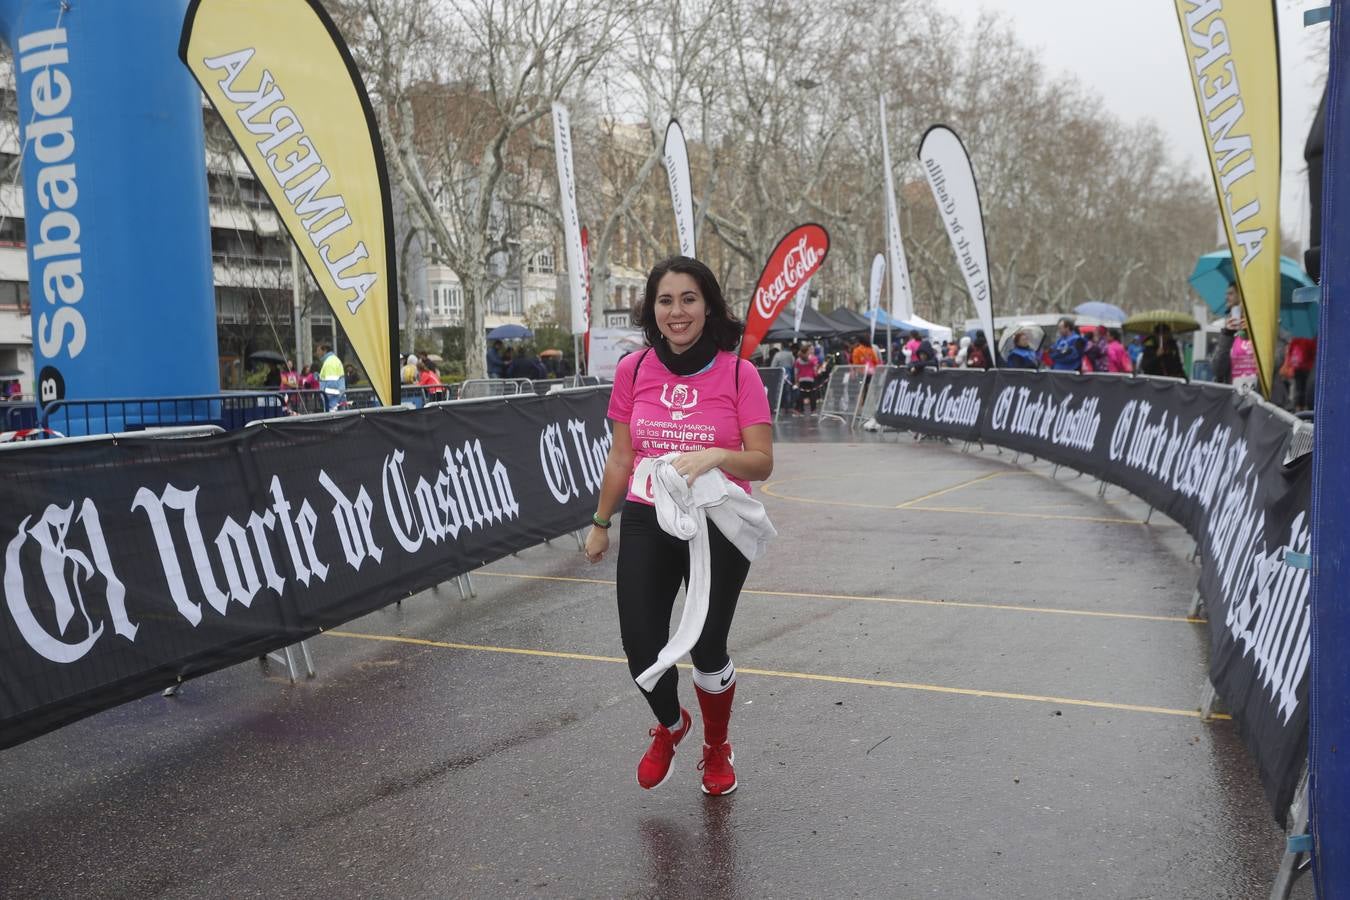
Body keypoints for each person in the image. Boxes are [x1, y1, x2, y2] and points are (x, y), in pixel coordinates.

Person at [584, 256, 773, 796]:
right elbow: (622, 456)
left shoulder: (740, 373)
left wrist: (715, 454)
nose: (677, 311)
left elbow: (761, 462)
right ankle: (671, 725)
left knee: (708, 645)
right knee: (640, 643)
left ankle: (717, 746)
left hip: (719, 519)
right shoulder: (634, 369)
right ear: (652, 310)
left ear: (708, 304)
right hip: (649, 512)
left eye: (688, 298)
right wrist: (601, 522)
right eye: (665, 301)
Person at [315, 342, 345, 411]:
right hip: (336, 401)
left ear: (324, 350)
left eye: (318, 350)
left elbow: (331, 386)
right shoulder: (332, 360)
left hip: (332, 403)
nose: (317, 353)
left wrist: (331, 406)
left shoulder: (329, 362)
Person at [794, 343, 820, 413]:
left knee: (801, 394)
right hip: (811, 379)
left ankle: (800, 409)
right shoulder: (813, 358)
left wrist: (796, 381)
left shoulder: (798, 360)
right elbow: (815, 369)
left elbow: (796, 371)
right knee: (812, 394)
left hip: (801, 379)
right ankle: (813, 409)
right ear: (807, 350)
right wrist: (817, 374)